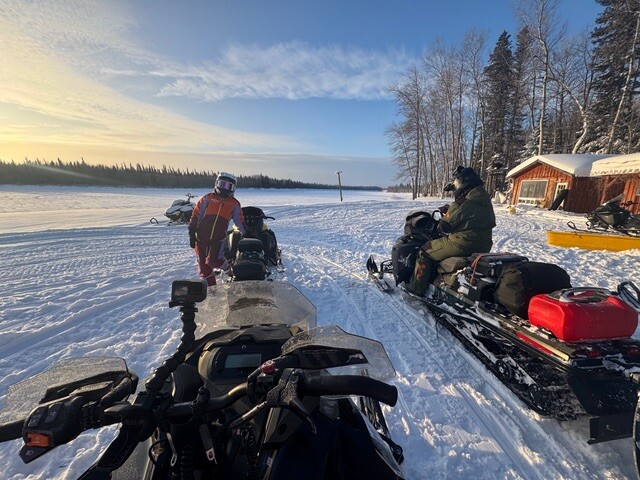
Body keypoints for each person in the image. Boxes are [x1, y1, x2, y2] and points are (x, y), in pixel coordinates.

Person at [406, 166, 496, 296]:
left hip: (462, 244)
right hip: (484, 244)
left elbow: (444, 227)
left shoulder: (462, 203)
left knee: (425, 251)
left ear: (463, 183)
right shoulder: (484, 200)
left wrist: (448, 213)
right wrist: (452, 210)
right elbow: (470, 215)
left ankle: (416, 288)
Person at [188, 172, 246, 286]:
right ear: (216, 184)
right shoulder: (207, 199)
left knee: (214, 262)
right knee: (203, 266)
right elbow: (196, 215)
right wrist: (191, 232)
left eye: (229, 186)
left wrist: (246, 234)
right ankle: (212, 290)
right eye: (222, 184)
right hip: (201, 238)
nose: (225, 189)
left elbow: (239, 220)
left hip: (218, 239)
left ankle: (228, 269)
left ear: (233, 189)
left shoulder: (233, 203)